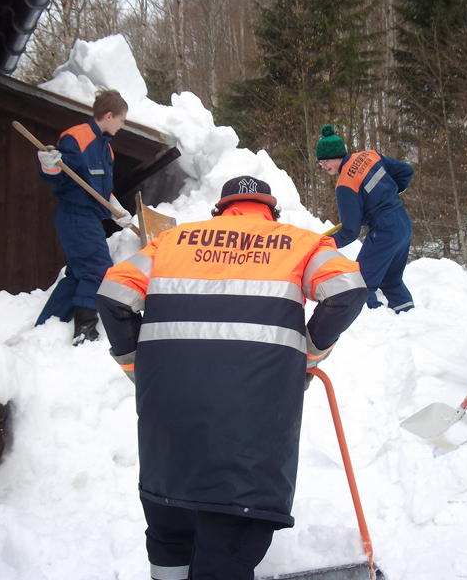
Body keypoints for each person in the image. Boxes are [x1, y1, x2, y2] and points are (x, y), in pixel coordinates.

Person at [95, 176, 368, 580]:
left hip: (168, 442)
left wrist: (140, 367)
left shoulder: (171, 242)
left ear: (220, 211)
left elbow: (114, 295)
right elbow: (345, 289)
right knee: (227, 553)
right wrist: (306, 355)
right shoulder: (300, 242)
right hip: (247, 447)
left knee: (170, 541)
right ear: (271, 211)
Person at [35, 88, 133, 344]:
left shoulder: (107, 150)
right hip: (75, 215)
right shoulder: (76, 137)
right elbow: (56, 172)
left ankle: (46, 327)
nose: (122, 126)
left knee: (80, 274)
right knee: (98, 269)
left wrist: (117, 210)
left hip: (91, 217)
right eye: (122, 120)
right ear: (109, 115)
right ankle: (85, 330)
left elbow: (102, 189)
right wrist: (48, 162)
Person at [316, 124, 415, 312]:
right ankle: (409, 315)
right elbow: (406, 171)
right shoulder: (369, 156)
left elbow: (350, 231)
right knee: (391, 280)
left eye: (325, 161)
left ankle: (374, 322)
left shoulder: (345, 184)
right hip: (403, 222)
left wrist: (326, 244)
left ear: (337, 155)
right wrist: (389, 196)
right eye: (320, 163)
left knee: (361, 284)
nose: (324, 166)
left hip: (385, 229)